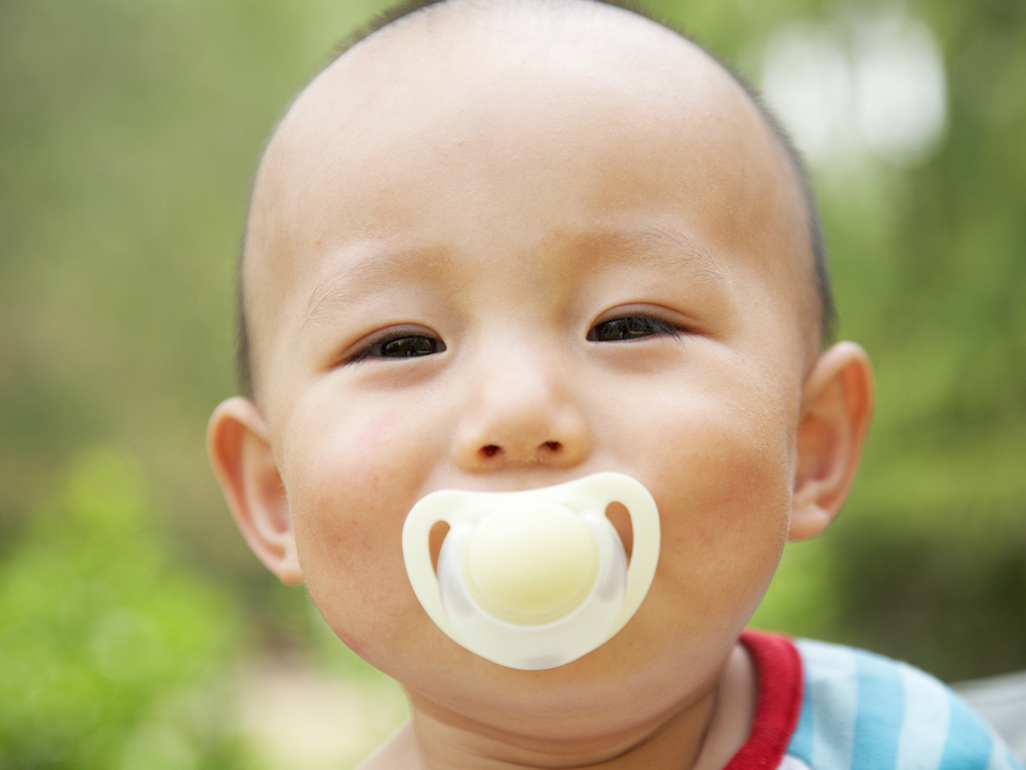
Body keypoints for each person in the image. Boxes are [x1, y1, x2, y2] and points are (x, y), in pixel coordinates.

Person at [205, 1, 1024, 767]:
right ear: (277, 492)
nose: (519, 409)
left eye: (629, 326)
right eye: (402, 342)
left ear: (809, 443)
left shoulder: (906, 743)